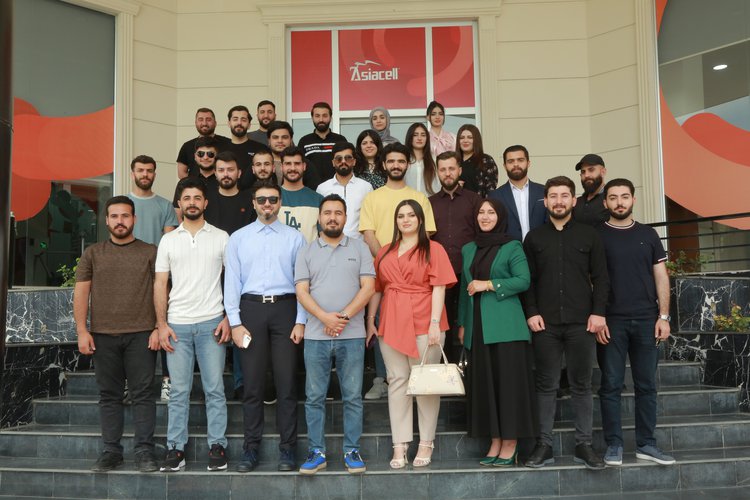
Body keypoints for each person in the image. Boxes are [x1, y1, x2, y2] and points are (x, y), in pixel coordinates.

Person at [522, 176, 609, 471]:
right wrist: (531, 312)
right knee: (545, 385)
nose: (558, 201)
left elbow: (601, 278)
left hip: (582, 323)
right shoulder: (534, 238)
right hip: (544, 324)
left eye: (564, 196)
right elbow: (529, 281)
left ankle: (584, 445)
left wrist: (598, 313)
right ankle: (543, 445)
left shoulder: (589, 235)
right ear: (545, 201)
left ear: (573, 200)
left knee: (582, 385)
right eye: (553, 196)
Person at [224, 179, 307, 473]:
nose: (267, 205)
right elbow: (231, 283)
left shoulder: (295, 238)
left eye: (273, 199)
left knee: (286, 384)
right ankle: (250, 450)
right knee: (252, 385)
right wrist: (235, 322)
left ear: (280, 202)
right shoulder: (239, 238)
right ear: (254, 203)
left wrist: (300, 320)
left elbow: (303, 284)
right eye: (262, 200)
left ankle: (288, 450)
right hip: (251, 311)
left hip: (286, 309)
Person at [366, 200, 457, 469]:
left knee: (425, 384)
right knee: (397, 381)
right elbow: (377, 288)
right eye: (401, 216)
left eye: (411, 215)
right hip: (391, 321)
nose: (405, 220)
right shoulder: (385, 251)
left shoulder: (433, 248)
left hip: (424, 320)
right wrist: (371, 320)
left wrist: (434, 323)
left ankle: (426, 442)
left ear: (420, 219)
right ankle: (400, 444)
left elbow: (439, 287)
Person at [74, 196, 160, 473]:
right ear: (107, 220)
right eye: (114, 216)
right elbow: (81, 293)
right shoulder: (93, 253)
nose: (120, 221)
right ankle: (111, 452)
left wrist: (159, 327)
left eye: (125, 216)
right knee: (109, 395)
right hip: (102, 335)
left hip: (142, 334)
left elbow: (162, 291)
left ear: (134, 219)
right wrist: (82, 330)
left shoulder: (150, 251)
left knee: (143, 395)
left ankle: (144, 452)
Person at [596, 178, 675, 466]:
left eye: (624, 196)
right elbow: (591, 280)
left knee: (647, 386)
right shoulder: (596, 236)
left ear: (633, 200)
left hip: (646, 320)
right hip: (611, 322)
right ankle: (614, 445)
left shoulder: (648, 234)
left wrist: (663, 316)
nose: (619, 202)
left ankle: (646, 444)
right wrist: (598, 316)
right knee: (611, 385)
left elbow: (660, 276)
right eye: (613, 197)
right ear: (605, 202)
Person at [295, 194, 376, 475]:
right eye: (327, 213)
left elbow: (368, 287)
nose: (332, 217)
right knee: (314, 397)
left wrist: (341, 317)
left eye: (338, 213)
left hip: (351, 335)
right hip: (316, 336)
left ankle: (352, 450)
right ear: (319, 218)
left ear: (345, 217)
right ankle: (316, 452)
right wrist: (324, 318)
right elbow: (301, 291)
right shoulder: (306, 251)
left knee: (352, 396)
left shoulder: (360, 248)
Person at [155, 176, 231, 473]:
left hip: (212, 323)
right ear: (179, 204)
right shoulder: (168, 240)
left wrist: (229, 317)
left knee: (215, 389)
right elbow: (160, 284)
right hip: (177, 326)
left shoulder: (221, 237)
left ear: (205, 202)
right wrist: (161, 324)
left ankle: (218, 446)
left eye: (197, 197)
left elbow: (233, 279)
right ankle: (175, 449)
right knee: (178, 392)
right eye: (187, 198)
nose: (192, 202)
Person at [457, 198, 537, 466]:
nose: (485, 216)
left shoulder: (512, 245)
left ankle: (511, 442)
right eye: (481, 212)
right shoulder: (469, 248)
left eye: (491, 212)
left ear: (500, 217)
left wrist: (489, 284)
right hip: (477, 328)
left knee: (507, 387)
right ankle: (495, 440)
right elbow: (464, 289)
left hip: (506, 327)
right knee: (486, 387)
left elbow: (523, 280)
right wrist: (463, 323)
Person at [359, 142, 438, 400]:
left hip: (415, 277)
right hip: (384, 274)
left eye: (401, 161)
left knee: (414, 329)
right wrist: (388, 261)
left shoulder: (419, 198)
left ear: (408, 164)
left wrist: (405, 260)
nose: (396, 165)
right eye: (391, 161)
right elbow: (368, 233)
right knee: (383, 326)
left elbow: (425, 235)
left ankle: (415, 377)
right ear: (384, 164)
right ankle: (383, 379)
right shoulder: (372, 197)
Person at [127, 155, 178, 402]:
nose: (145, 174)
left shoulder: (165, 206)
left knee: (165, 325)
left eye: (149, 170)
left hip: (160, 276)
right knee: (132, 332)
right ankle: (130, 382)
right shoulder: (123, 204)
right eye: (140, 170)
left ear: (155, 174)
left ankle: (168, 381)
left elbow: (169, 243)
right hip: (129, 278)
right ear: (132, 173)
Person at [429, 151, 481, 361]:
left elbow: (481, 234)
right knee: (445, 323)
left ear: (459, 170)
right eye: (443, 169)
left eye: (451, 168)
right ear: (437, 172)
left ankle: (472, 370)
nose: (447, 173)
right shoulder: (430, 203)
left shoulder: (474, 200)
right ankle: (447, 369)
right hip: (440, 275)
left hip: (469, 272)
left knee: (471, 321)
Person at [488, 145, 547, 241]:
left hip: (541, 247)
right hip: (509, 249)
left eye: (520, 160)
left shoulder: (544, 191)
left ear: (528, 163)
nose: (516, 164)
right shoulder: (495, 196)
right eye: (510, 161)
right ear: (504, 166)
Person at [316, 142, 373, 240]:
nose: (343, 161)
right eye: (339, 159)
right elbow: (319, 221)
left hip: (358, 245)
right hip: (329, 244)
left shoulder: (366, 187)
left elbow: (371, 220)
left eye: (348, 158)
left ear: (354, 161)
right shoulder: (322, 188)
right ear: (333, 162)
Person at [279, 146, 324, 242]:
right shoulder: (270, 198)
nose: (292, 168)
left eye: (297, 163)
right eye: (288, 164)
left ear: (304, 166)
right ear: (281, 167)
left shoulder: (318, 200)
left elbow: (324, 237)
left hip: (310, 251)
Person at [204, 151, 256, 235]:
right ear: (215, 174)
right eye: (221, 170)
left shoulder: (251, 201)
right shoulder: (206, 201)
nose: (226, 174)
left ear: (239, 173)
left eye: (230, 170)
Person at [297, 102, 347, 184]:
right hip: (311, 188)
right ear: (312, 118)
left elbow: (346, 163)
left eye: (325, 116)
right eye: (317, 116)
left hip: (336, 187)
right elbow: (299, 166)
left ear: (330, 118)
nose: (321, 120)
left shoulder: (340, 140)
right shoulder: (304, 141)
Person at [172, 136, 221, 218]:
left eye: (210, 154)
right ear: (195, 156)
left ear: (217, 156)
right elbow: (177, 214)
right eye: (201, 154)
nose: (205, 157)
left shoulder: (224, 181)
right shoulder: (184, 183)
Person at [176, 107, 230, 179]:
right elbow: (181, 173)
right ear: (195, 123)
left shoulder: (228, 144)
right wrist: (193, 183)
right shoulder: (187, 146)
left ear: (215, 123)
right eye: (200, 119)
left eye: (208, 120)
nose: (204, 123)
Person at [267, 120, 320, 189]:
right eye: (275, 137)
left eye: (284, 137)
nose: (280, 141)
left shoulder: (305, 164)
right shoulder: (261, 163)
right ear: (269, 140)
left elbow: (313, 190)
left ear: (291, 140)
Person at [223, 105, 263, 190]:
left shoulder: (261, 149)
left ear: (249, 125)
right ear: (229, 123)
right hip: (227, 195)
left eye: (243, 120)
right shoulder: (221, 149)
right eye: (235, 119)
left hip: (255, 196)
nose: (239, 123)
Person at [456, 124, 498, 198]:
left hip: (479, 203)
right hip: (457, 204)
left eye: (470, 137)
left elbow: (491, 190)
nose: (465, 141)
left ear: (476, 140)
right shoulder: (454, 160)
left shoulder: (486, 160)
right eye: (462, 138)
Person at [404, 122, 440, 196]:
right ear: (410, 137)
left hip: (429, 201)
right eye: (415, 135)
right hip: (407, 201)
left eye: (423, 135)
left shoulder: (434, 160)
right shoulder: (403, 160)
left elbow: (439, 185)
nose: (419, 138)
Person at [573, 153, 609, 226]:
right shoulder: (577, 202)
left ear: (603, 172)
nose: (586, 175)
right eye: (583, 172)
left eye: (591, 170)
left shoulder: (611, 199)